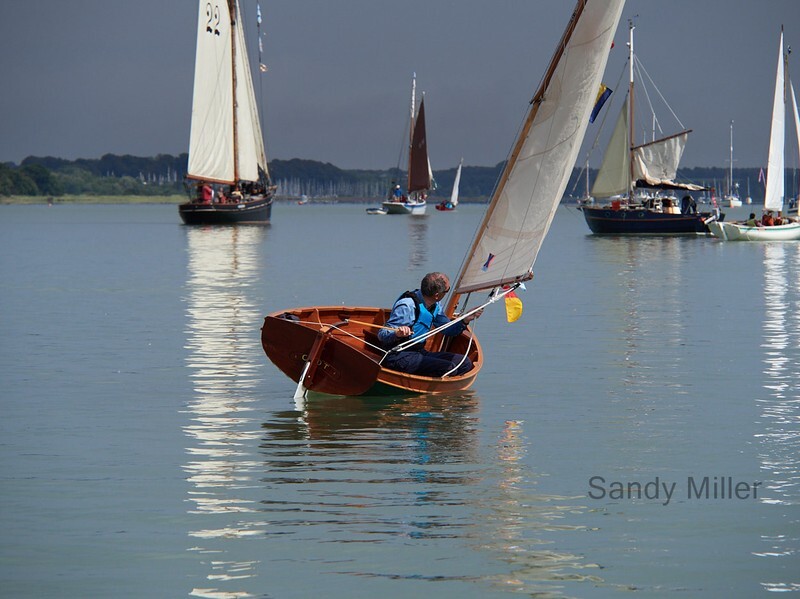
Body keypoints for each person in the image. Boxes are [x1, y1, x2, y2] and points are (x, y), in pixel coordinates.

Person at [378, 272, 482, 377]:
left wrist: (465, 320)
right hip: (398, 355)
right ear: (437, 295)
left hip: (419, 352)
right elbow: (382, 334)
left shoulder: (435, 305)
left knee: (464, 363)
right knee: (448, 368)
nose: (446, 293)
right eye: (447, 291)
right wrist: (397, 334)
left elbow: (447, 329)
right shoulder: (407, 306)